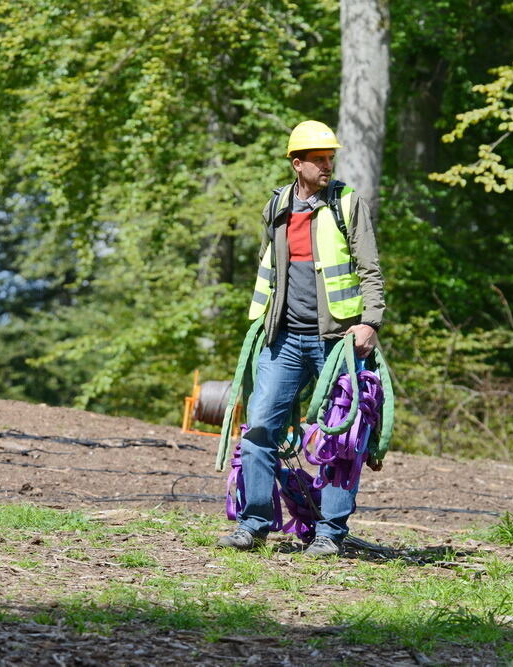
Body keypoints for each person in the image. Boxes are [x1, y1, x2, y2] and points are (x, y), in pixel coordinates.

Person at [217, 120, 385, 557]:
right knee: (259, 429)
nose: (328, 165)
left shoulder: (348, 204)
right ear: (298, 164)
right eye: (319, 159)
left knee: (340, 442)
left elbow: (370, 270)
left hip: (338, 343)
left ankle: (330, 533)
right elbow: (269, 269)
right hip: (283, 340)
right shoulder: (277, 207)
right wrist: (261, 325)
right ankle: (252, 525)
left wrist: (371, 322)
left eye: (331, 158)